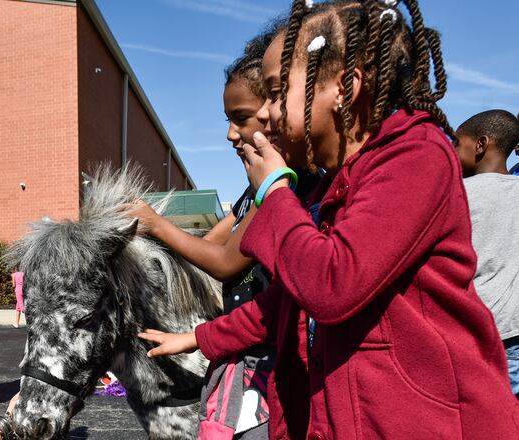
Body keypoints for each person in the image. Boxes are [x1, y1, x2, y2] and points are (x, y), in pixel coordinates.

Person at [139, 1, 519, 438]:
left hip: (426, 422)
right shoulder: (329, 186)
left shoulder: (416, 155)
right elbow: (286, 301)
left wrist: (275, 193)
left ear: (344, 88)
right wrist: (201, 338)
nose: (265, 113)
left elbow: (333, 284)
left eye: (277, 91)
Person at [128, 29, 317, 440]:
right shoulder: (253, 192)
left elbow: (225, 260)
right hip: (242, 349)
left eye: (242, 119)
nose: (232, 134)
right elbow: (210, 243)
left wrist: (156, 222)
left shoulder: (281, 186)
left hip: (267, 362)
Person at [454, 109, 519, 397]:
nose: (452, 152)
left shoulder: (457, 194)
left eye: (457, 143)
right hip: (513, 331)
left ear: (481, 144)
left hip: (471, 332)